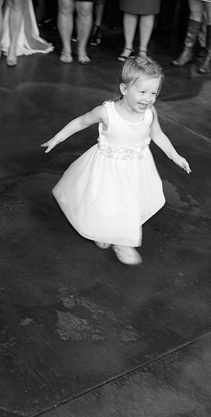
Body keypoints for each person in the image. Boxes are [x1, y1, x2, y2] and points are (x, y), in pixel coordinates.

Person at [42, 56, 191, 266]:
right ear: (124, 89)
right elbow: (80, 122)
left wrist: (174, 155)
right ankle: (103, 230)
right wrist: (57, 138)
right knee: (105, 201)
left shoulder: (150, 113)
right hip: (107, 167)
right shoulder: (106, 113)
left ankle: (123, 242)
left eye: (153, 93)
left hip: (137, 167)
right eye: (142, 92)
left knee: (128, 203)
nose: (148, 98)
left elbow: (157, 135)